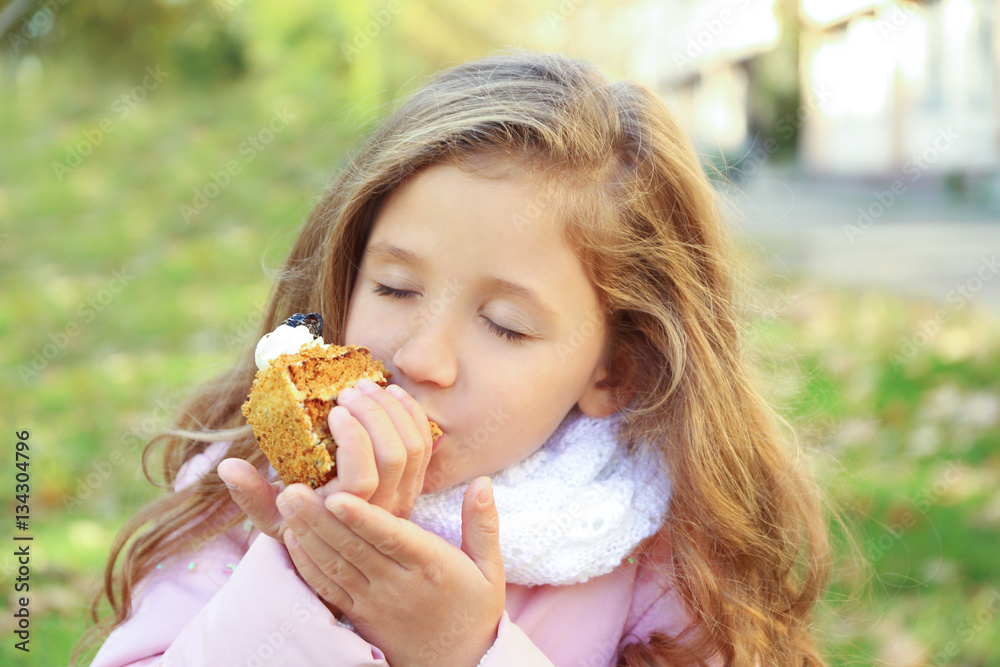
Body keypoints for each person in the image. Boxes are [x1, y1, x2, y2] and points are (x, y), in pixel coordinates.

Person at [78, 50, 830, 666]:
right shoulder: (241, 503)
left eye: (504, 325)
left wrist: (462, 652)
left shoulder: (654, 552)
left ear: (615, 371)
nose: (422, 355)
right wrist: (311, 592)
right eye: (396, 287)